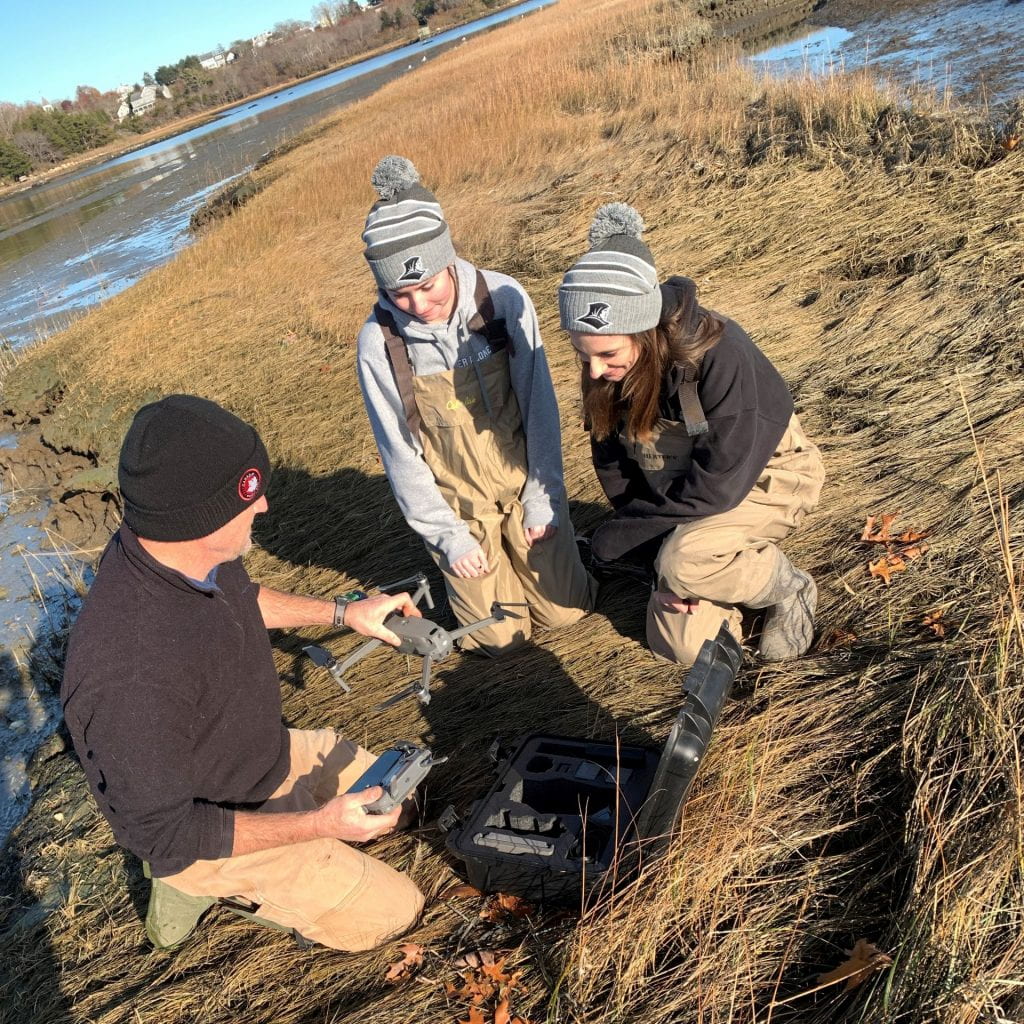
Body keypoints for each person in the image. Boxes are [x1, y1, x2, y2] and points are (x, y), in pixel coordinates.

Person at [61, 394, 426, 952]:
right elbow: (164, 833)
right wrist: (319, 825)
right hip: (205, 831)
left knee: (405, 806)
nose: (265, 509)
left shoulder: (181, 549)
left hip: (264, 754)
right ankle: (197, 889)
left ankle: (299, 832)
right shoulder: (127, 677)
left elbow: (241, 597)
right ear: (200, 518)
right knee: (397, 915)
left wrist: (341, 613)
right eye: (251, 498)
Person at [558, 204, 825, 666]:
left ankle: (786, 585)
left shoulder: (722, 357)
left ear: (644, 327)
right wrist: (648, 547)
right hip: (683, 497)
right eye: (584, 356)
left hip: (763, 481)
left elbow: (718, 486)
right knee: (682, 649)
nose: (596, 371)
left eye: (607, 353)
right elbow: (614, 463)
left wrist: (630, 542)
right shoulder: (606, 365)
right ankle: (701, 564)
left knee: (685, 561)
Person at [356, 155, 595, 655]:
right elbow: (400, 455)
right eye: (399, 294)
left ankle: (559, 551)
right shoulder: (379, 345)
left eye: (427, 285)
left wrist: (542, 496)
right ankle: (480, 564)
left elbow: (540, 410)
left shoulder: (503, 299)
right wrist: (450, 539)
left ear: (448, 257)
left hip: (523, 487)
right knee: (500, 643)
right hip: (459, 512)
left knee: (568, 614)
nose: (419, 306)